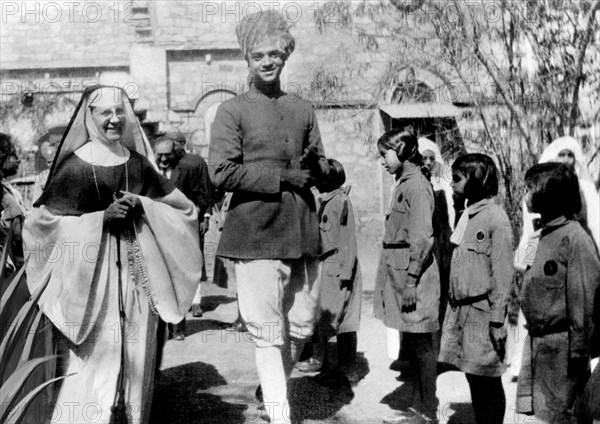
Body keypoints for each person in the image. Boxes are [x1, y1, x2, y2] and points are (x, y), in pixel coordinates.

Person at [24, 86, 203, 424]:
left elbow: (184, 211)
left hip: (137, 275)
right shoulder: (75, 167)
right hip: (92, 281)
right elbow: (39, 226)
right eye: (105, 112)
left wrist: (145, 204)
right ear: (89, 117)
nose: (114, 119)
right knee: (96, 362)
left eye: (120, 111)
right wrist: (98, 220)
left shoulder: (138, 164)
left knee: (137, 360)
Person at [209, 10, 335, 424]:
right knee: (266, 330)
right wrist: (282, 176)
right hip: (255, 231)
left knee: (301, 325)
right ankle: (281, 414)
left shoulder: (302, 108)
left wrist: (326, 169)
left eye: (275, 55)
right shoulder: (232, 111)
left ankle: (272, 392)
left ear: (286, 58)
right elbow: (221, 172)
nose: (267, 62)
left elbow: (316, 159)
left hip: (301, 230)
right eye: (258, 55)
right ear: (247, 58)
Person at [510, 135, 600, 379]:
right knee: (533, 302)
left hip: (574, 249)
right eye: (562, 155)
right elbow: (529, 231)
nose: (567, 159)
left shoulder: (584, 187)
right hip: (541, 250)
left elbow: (593, 224)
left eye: (571, 155)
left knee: (576, 308)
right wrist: (525, 262)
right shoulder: (538, 190)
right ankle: (523, 362)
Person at [438, 153, 513, 424]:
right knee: (474, 375)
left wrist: (497, 319)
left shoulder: (495, 218)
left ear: (476, 181)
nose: (452, 185)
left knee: (487, 378)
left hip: (482, 313)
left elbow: (503, 274)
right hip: (463, 311)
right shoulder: (468, 214)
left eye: (457, 179)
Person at [373, 129, 440, 424]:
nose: (382, 162)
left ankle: (428, 412)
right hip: (400, 272)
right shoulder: (404, 183)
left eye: (384, 154)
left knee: (422, 344)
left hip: (414, 277)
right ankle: (417, 407)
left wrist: (412, 281)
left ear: (400, 151)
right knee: (411, 343)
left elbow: (423, 239)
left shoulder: (416, 187)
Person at [296, 159, 362, 386]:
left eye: (318, 177)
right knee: (325, 317)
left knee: (345, 320)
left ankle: (348, 371)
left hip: (340, 265)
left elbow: (348, 239)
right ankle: (326, 365)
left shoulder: (341, 201)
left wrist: (346, 274)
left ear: (329, 179)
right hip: (328, 264)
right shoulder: (327, 200)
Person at [154, 134, 212, 339]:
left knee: (178, 279)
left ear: (175, 152)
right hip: (156, 232)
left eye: (167, 155)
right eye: (159, 155)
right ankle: (158, 331)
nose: (162, 160)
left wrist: (194, 214)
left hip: (181, 231)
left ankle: (178, 328)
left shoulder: (187, 168)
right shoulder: (150, 171)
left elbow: (201, 195)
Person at [164, 130, 213, 283]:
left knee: (193, 254)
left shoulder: (195, 162)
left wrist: (205, 217)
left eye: (173, 145)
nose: (170, 149)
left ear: (182, 145)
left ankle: (196, 299)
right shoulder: (163, 163)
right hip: (168, 218)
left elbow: (206, 189)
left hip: (192, 216)